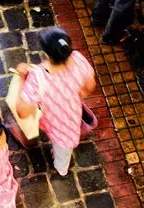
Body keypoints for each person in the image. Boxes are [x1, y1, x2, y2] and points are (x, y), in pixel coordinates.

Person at [15, 27, 96, 176]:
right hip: (72, 117)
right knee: (63, 147)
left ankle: (61, 169)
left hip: (56, 122)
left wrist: (21, 76)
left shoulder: (38, 77)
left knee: (62, 148)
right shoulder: (78, 58)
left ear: (46, 54)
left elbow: (23, 112)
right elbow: (90, 86)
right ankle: (61, 164)